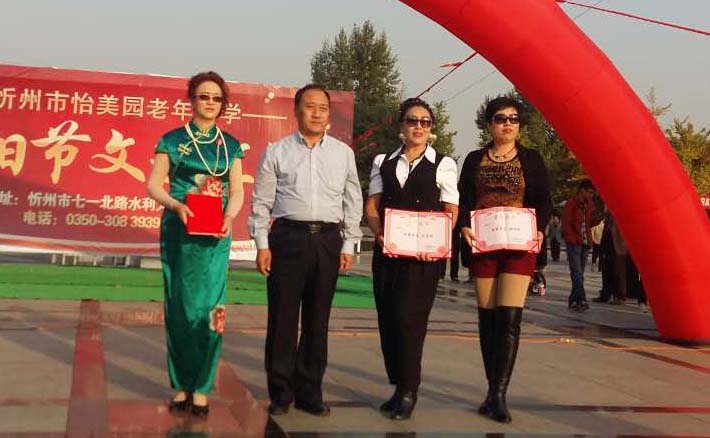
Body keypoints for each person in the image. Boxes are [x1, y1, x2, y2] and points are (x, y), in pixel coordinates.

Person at [248, 84, 363, 417]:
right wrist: (262, 244)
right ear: (296, 110)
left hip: (327, 240)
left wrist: (349, 243)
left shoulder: (343, 154)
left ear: (329, 114)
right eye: (310, 106)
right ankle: (280, 392)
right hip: (288, 238)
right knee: (282, 318)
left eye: (323, 108)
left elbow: (352, 200)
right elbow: (261, 202)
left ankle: (310, 392)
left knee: (318, 319)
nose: (316, 113)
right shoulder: (277, 152)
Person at [146, 71, 245, 416]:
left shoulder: (230, 145)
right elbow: (154, 185)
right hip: (180, 231)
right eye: (204, 96)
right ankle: (181, 384)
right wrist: (175, 205)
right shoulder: (172, 140)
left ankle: (201, 386)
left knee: (211, 310)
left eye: (217, 98)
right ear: (192, 99)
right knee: (180, 308)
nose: (210, 103)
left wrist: (229, 216)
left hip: (215, 235)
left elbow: (237, 190)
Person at [458, 96, 552, 423]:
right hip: (484, 243)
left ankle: (499, 394)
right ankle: (490, 388)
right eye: (501, 118)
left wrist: (539, 229)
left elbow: (543, 201)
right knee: (488, 319)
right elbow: (463, 199)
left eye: (513, 119)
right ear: (489, 124)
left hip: (518, 246)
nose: (508, 124)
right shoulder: (474, 159)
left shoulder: (531, 159)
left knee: (510, 318)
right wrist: (464, 225)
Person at [365, 97, 459, 420]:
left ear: (431, 128)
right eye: (412, 120)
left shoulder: (443, 164)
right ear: (401, 126)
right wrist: (379, 233)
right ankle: (398, 384)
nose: (419, 126)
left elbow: (451, 210)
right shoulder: (383, 161)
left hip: (423, 258)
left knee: (410, 320)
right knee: (389, 319)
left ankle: (409, 390)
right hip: (388, 253)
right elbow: (372, 206)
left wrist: (436, 242)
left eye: (425, 122)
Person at [562, 179, 601, 312]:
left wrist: (598, 217)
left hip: (585, 242)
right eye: (589, 192)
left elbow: (590, 222)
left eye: (592, 193)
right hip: (574, 242)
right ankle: (581, 299)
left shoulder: (590, 205)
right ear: (582, 190)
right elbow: (566, 223)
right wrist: (570, 239)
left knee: (580, 273)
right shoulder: (571, 204)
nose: (591, 195)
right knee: (577, 272)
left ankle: (573, 299)